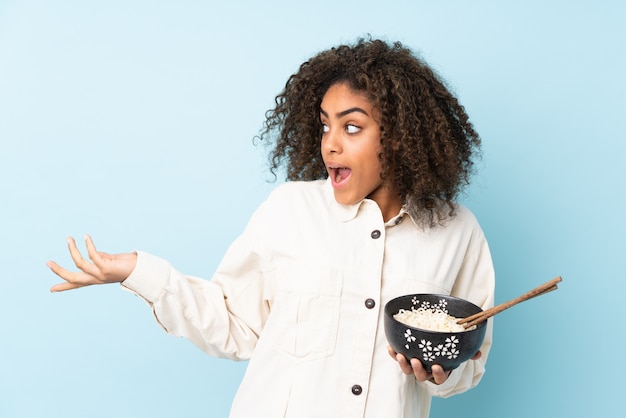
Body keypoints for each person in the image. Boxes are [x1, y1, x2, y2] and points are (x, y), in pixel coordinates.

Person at [47, 38, 495, 418]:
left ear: (399, 135)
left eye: (352, 127)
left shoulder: (458, 232)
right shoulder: (289, 211)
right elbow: (233, 325)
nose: (330, 144)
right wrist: (137, 271)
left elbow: (469, 365)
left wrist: (444, 372)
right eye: (324, 125)